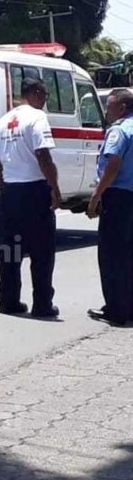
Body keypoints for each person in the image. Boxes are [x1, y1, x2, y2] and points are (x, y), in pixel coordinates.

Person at [0, 78, 61, 319]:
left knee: (10, 250)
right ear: (37, 92)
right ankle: (42, 305)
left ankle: (8, 301)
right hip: (34, 190)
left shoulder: (3, 120)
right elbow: (43, 155)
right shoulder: (37, 117)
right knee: (42, 251)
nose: (45, 100)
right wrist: (54, 188)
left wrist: (4, 188)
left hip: (11, 191)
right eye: (46, 95)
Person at [87, 88, 133, 326]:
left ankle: (116, 310)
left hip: (118, 198)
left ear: (122, 108)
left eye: (109, 106)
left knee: (112, 255)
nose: (106, 111)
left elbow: (113, 163)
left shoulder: (119, 131)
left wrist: (96, 195)